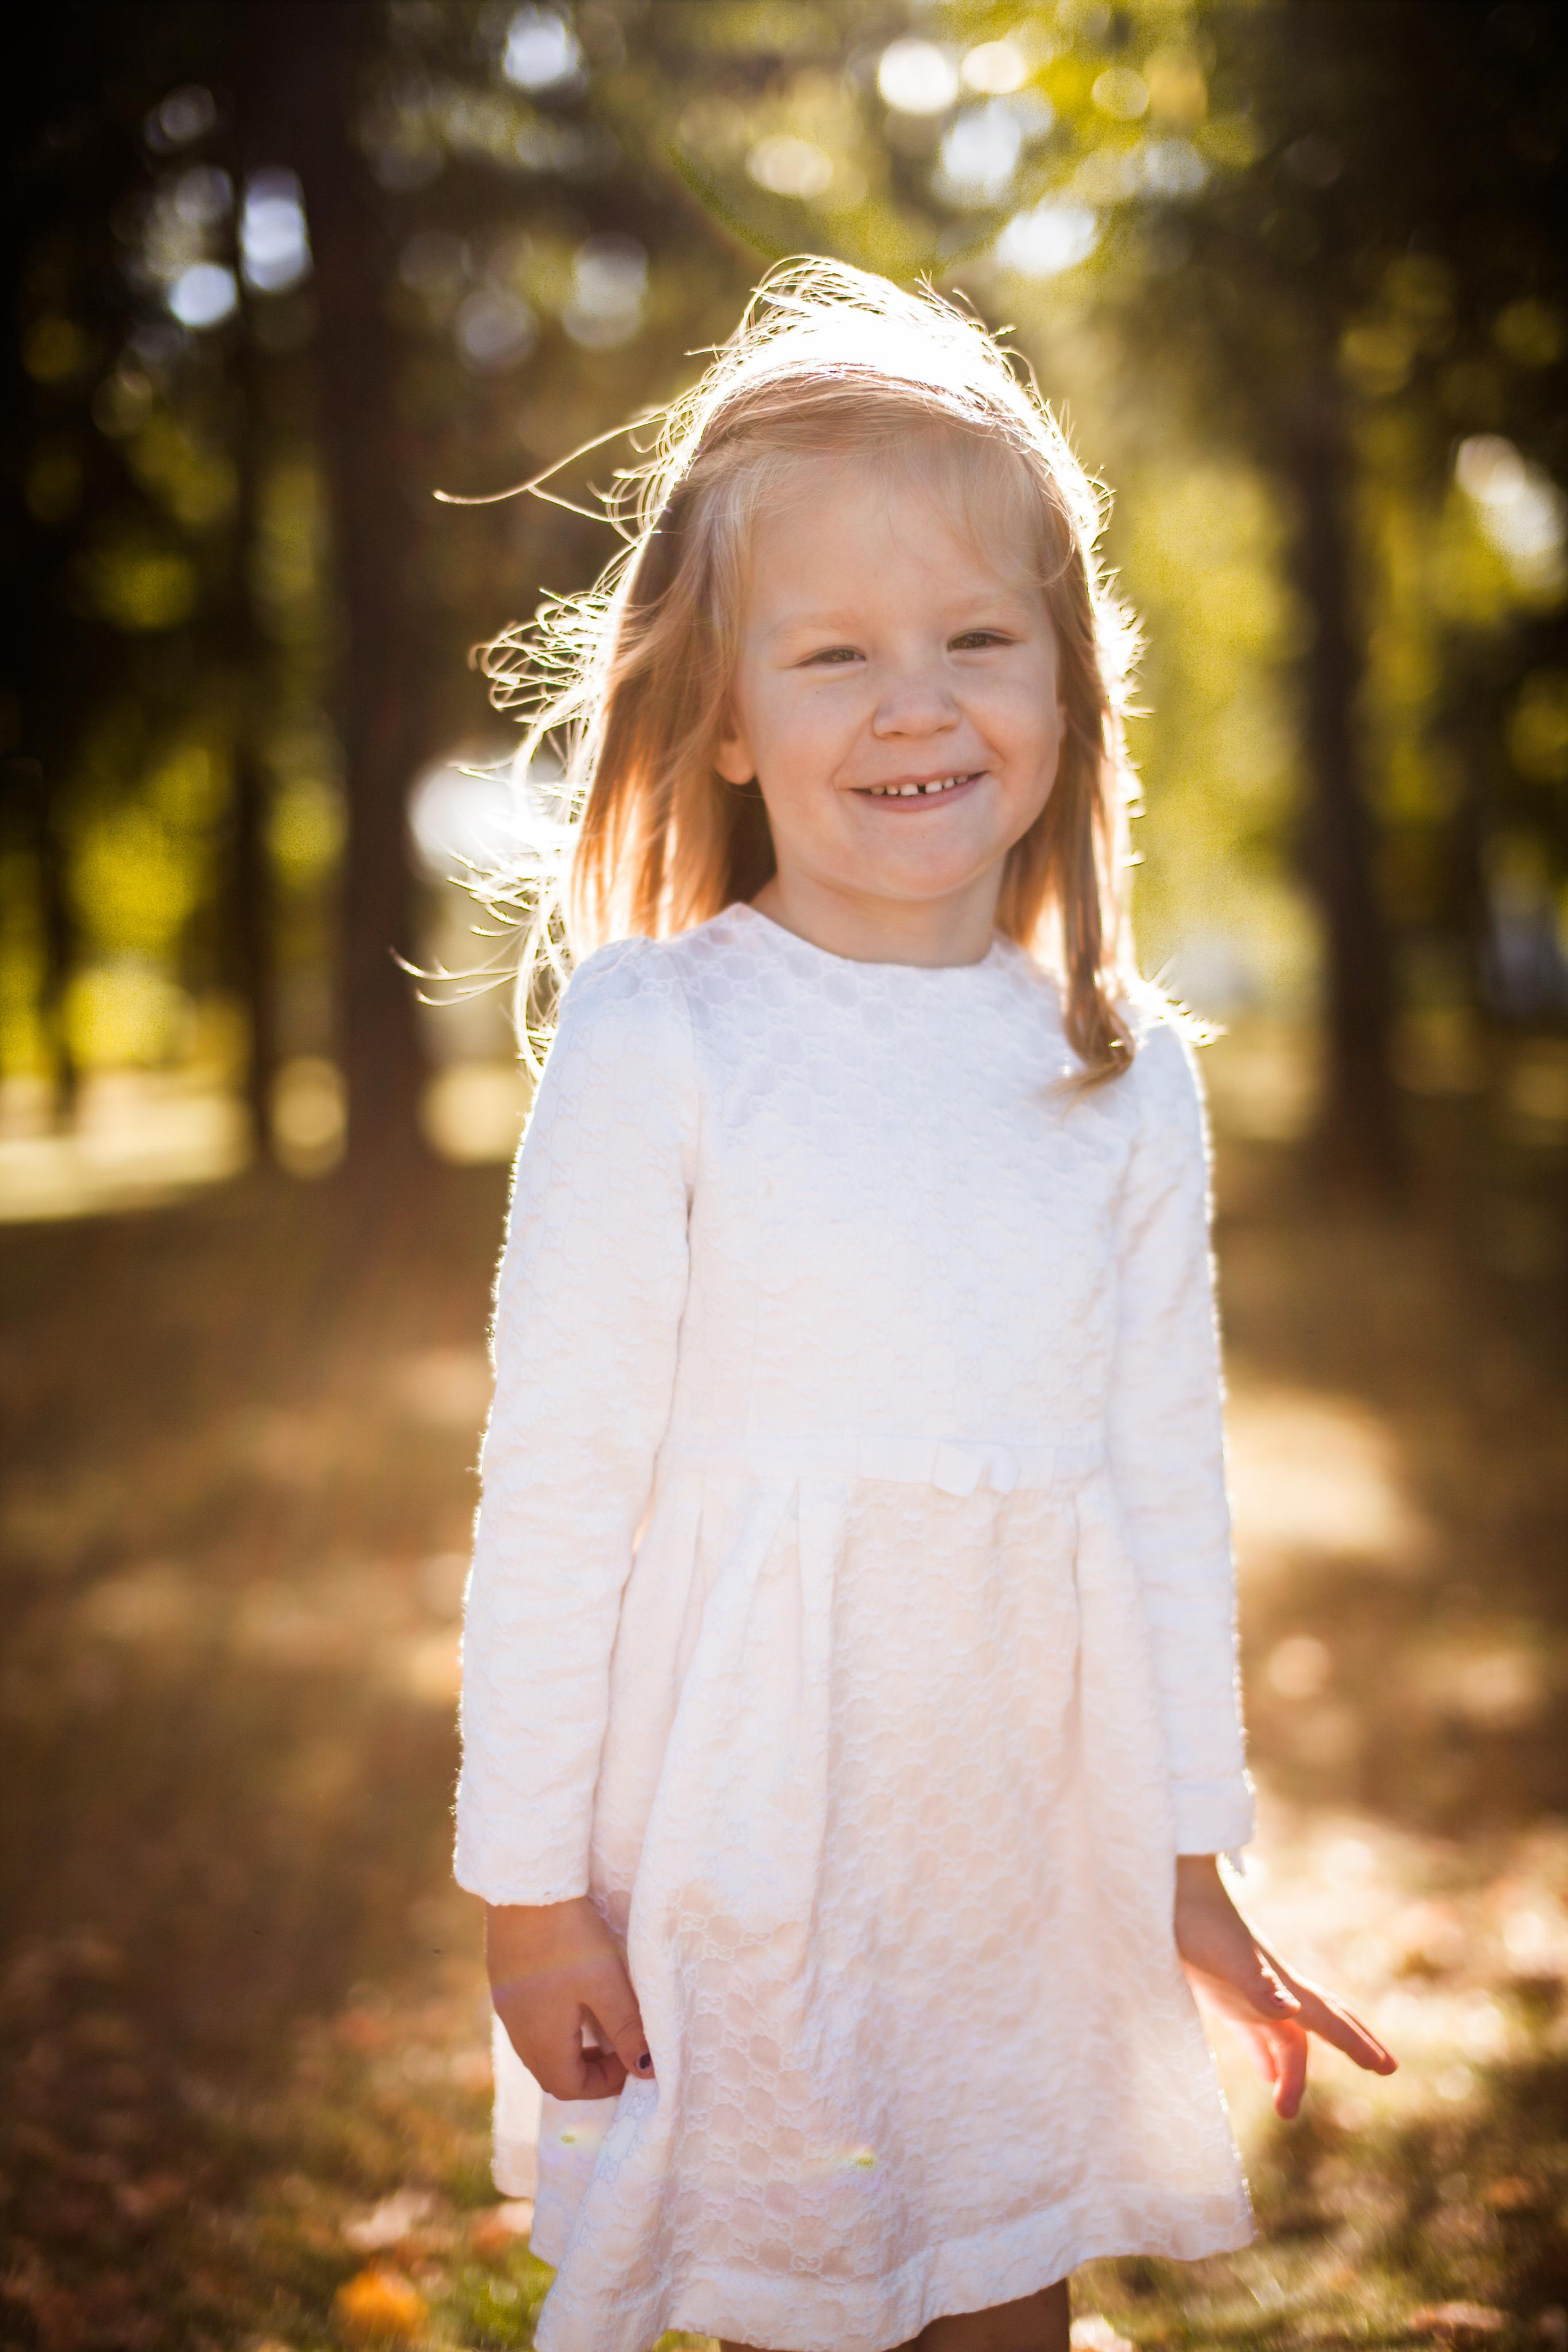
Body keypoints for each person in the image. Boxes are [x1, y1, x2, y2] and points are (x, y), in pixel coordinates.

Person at [453, 259, 1394, 2352]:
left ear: (1070, 688)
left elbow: (1167, 1492)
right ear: (722, 713)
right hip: (740, 1822)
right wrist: (531, 1896)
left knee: (996, 2288)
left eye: (981, 638)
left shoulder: (1117, 1064)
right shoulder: (665, 1034)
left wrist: (1186, 1864)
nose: (917, 701)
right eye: (838, 652)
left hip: (1019, 1826)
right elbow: (560, 1483)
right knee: (802, 2291)